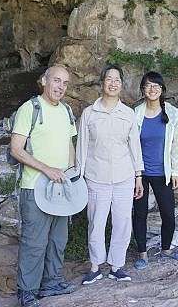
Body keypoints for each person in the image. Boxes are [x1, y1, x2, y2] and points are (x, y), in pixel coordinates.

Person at [10, 65, 78, 307]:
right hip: (35, 186)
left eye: (65, 83)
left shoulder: (67, 111)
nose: (60, 86)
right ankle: (27, 291)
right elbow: (16, 150)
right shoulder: (30, 109)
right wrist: (46, 169)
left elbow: (70, 144)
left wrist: (71, 172)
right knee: (34, 241)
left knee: (58, 239)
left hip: (61, 187)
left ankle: (51, 283)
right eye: (56, 80)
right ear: (44, 81)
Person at [76, 64, 144, 284]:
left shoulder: (128, 113)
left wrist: (138, 176)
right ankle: (95, 266)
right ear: (102, 83)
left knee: (123, 222)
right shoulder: (89, 113)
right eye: (109, 79)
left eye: (117, 80)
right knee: (96, 222)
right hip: (96, 177)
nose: (113, 83)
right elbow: (82, 147)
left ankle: (117, 266)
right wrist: (79, 176)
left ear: (121, 85)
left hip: (124, 177)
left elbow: (135, 146)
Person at [132, 71, 178, 270]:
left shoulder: (171, 112)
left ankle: (166, 249)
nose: (152, 89)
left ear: (162, 89)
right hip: (140, 173)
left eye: (156, 86)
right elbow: (131, 144)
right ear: (143, 90)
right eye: (148, 85)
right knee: (140, 214)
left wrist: (175, 171)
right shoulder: (136, 113)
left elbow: (176, 143)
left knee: (168, 214)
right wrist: (135, 173)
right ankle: (142, 254)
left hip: (163, 171)